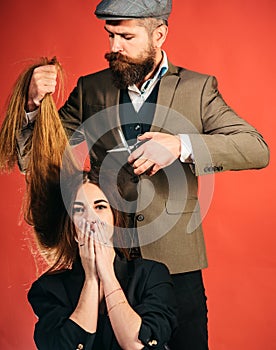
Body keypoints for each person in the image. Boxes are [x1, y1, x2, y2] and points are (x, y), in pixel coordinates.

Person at [15, 0, 270, 349]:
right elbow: (34, 158)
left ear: (159, 35)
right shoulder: (91, 89)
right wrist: (31, 106)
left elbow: (257, 148)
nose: (113, 47)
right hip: (107, 263)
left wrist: (180, 145)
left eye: (126, 37)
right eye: (110, 36)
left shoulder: (198, 89)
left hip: (178, 268)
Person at [27, 167, 177, 350]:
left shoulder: (151, 275)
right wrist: (91, 279)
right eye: (79, 210)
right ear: (71, 228)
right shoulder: (48, 289)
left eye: (100, 207)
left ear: (114, 219)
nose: (91, 218)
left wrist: (107, 274)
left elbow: (137, 344)